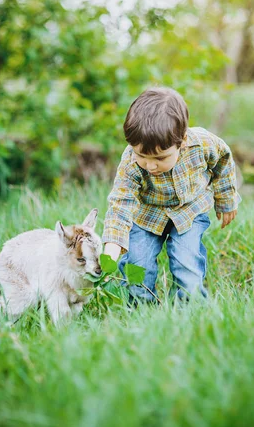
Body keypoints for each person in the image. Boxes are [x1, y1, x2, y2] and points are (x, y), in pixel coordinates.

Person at [102, 87, 241, 302]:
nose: (150, 165)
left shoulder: (203, 144)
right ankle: (141, 306)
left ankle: (189, 309)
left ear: (182, 141)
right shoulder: (130, 162)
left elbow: (223, 162)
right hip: (145, 216)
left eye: (160, 158)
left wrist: (226, 200)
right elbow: (121, 202)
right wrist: (112, 245)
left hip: (188, 212)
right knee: (137, 266)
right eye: (142, 155)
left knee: (187, 266)